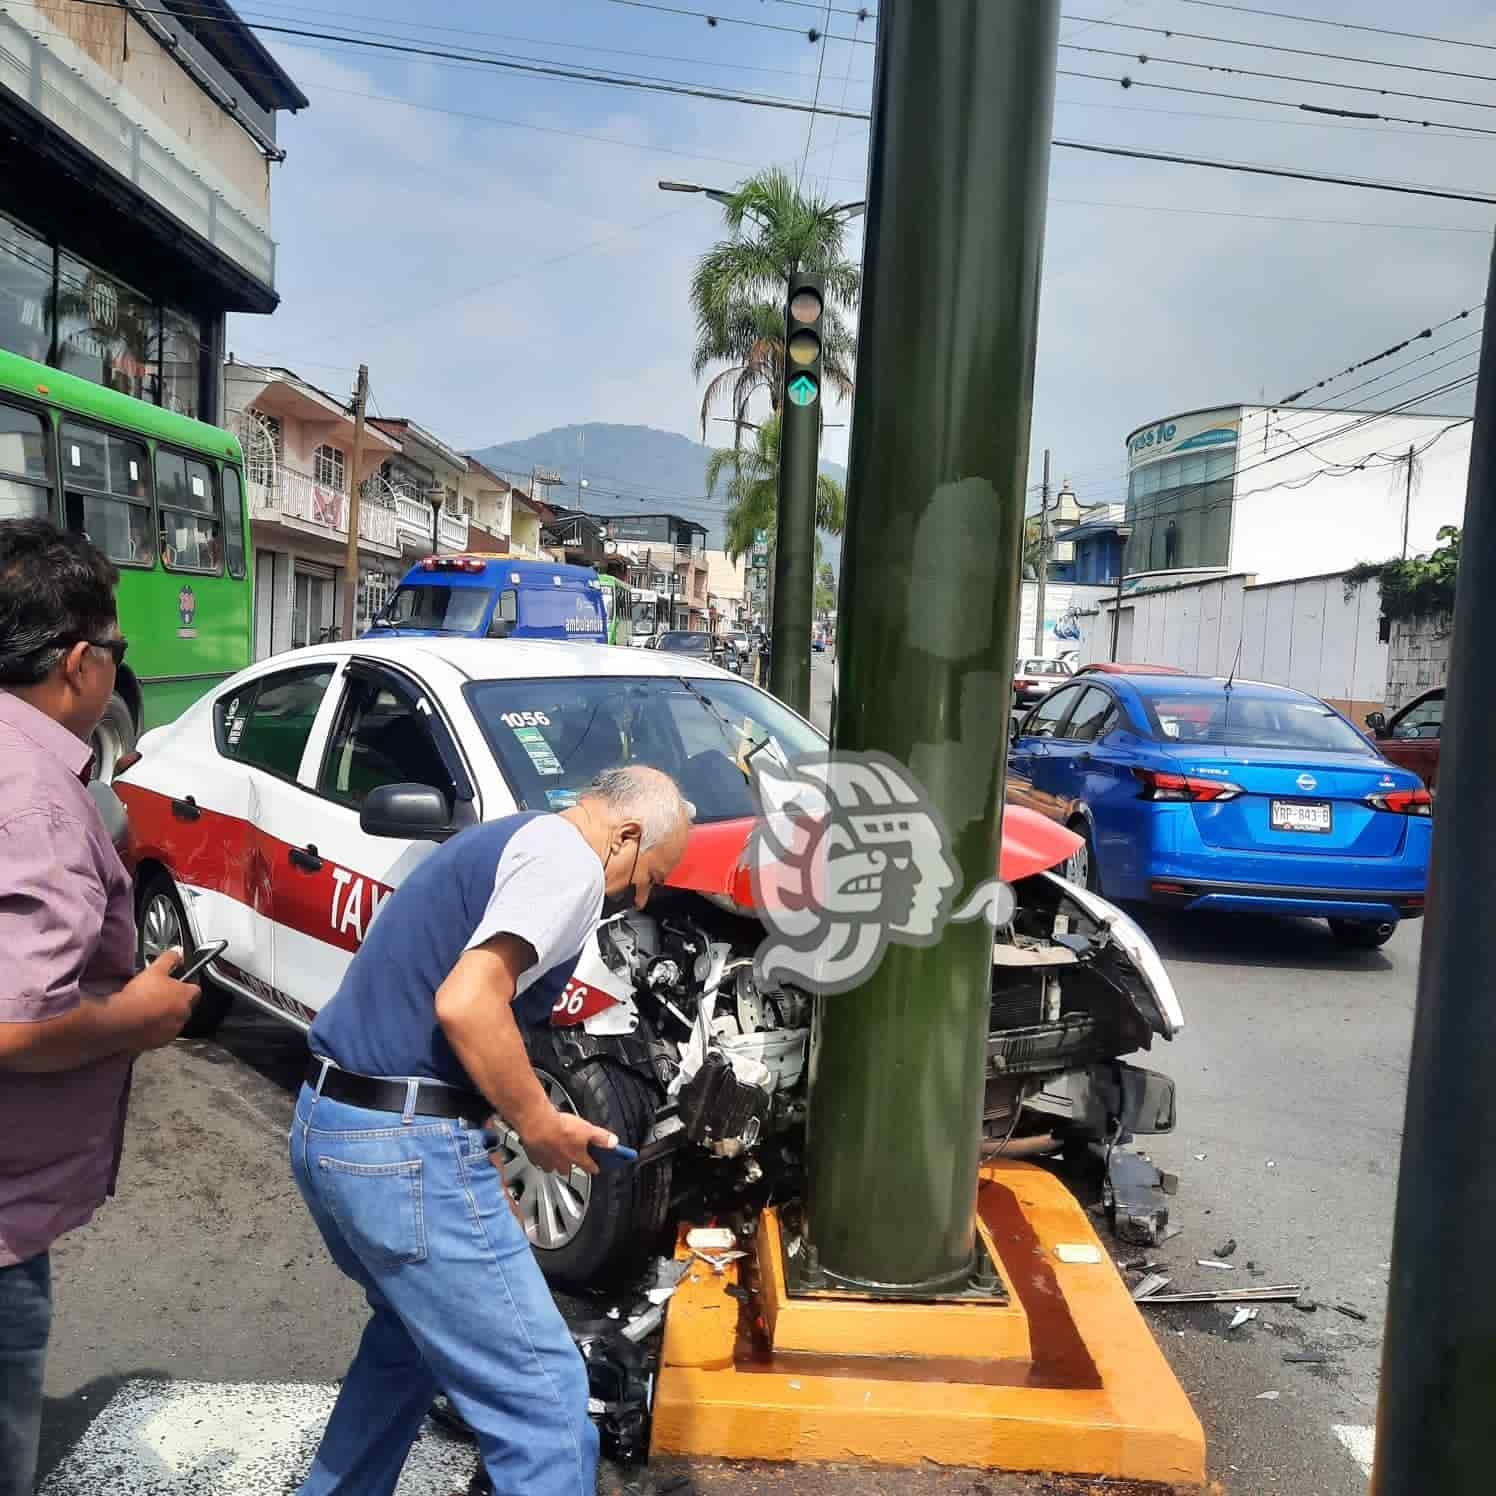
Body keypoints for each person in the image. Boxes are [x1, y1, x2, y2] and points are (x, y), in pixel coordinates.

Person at [291, 765, 693, 1496]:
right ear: (627, 834)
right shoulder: (569, 863)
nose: (639, 898)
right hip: (400, 1148)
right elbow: (468, 1003)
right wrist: (537, 1125)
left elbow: (426, 1019)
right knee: (542, 1406)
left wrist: (479, 1161)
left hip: (334, 1127)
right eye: (648, 878)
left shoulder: (508, 839)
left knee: (409, 1343)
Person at [0, 519, 200, 1496]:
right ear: (79, 661)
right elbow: (11, 1026)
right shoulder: (34, 798)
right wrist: (138, 1012)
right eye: (117, 651)